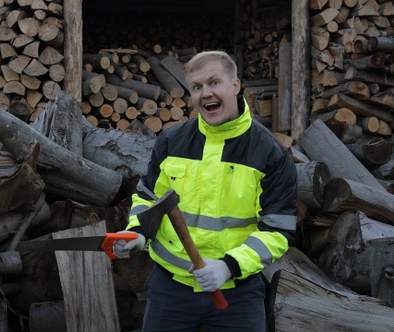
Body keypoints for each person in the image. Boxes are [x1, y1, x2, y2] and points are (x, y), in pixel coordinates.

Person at [113, 50, 298, 332]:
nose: (206, 93)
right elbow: (148, 200)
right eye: (197, 87)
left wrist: (228, 266)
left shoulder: (269, 153)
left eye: (214, 82)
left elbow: (278, 230)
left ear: (235, 86)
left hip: (237, 293)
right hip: (170, 289)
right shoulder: (171, 142)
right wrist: (138, 232)